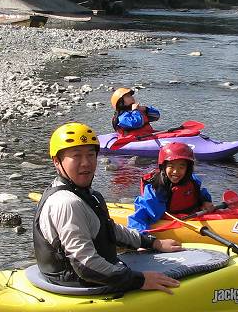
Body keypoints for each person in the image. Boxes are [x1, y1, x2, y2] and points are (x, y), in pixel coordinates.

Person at [33, 122, 184, 294]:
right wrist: (140, 280)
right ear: (57, 161)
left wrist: (152, 242)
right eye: (76, 156)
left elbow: (109, 230)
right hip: (79, 285)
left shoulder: (88, 194)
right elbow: (85, 266)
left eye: (91, 155)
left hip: (91, 276)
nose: (86, 163)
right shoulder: (67, 203)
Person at [127, 142, 216, 232]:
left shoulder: (192, 181)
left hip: (191, 216)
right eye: (171, 166)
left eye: (181, 167)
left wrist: (205, 201)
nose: (175, 172)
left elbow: (201, 193)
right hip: (171, 220)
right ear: (164, 167)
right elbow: (139, 218)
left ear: (187, 169)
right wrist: (144, 237)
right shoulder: (156, 189)